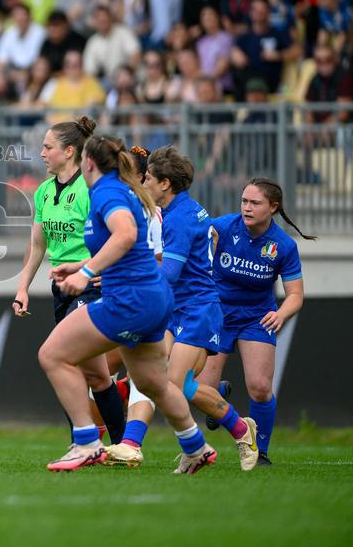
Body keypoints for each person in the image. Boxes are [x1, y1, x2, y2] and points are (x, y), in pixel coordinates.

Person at [35, 135, 216, 474]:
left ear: (88, 163)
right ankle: (196, 447)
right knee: (151, 383)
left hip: (130, 299)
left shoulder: (107, 192)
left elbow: (125, 235)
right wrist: (79, 265)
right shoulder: (121, 190)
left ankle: (87, 442)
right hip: (152, 298)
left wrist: (86, 273)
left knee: (52, 355)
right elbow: (129, 247)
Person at [104, 147, 260, 471]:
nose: (143, 182)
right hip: (175, 308)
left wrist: (125, 276)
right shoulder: (180, 210)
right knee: (170, 383)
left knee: (169, 385)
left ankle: (194, 447)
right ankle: (238, 429)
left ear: (165, 183)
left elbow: (170, 274)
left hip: (198, 310)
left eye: (148, 177)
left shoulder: (179, 218)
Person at [12, 117, 128, 447]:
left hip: (89, 287)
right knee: (97, 376)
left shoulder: (90, 191)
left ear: (69, 151)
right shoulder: (44, 191)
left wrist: (99, 270)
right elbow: (37, 245)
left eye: (47, 147)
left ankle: (85, 442)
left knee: (63, 359)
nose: (42, 153)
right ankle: (122, 446)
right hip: (61, 289)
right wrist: (22, 288)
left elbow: (117, 236)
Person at [199, 178, 315, 466]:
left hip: (256, 317)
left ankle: (259, 451)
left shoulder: (283, 245)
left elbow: (295, 295)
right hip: (218, 314)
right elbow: (194, 243)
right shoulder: (223, 227)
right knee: (199, 389)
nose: (247, 208)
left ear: (273, 207)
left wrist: (281, 314)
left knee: (261, 387)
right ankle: (219, 396)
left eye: (255, 203)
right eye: (244, 201)